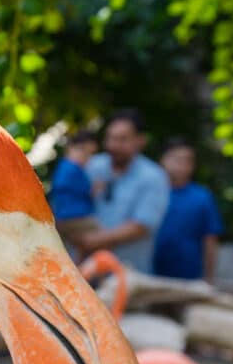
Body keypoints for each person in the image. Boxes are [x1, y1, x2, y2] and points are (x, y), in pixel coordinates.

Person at [81, 109, 170, 273]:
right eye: (110, 137)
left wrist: (92, 240)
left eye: (122, 139)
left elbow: (141, 226)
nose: (113, 145)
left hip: (129, 274)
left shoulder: (153, 177)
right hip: (85, 271)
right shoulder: (93, 166)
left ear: (140, 141)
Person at [153, 138, 224, 281]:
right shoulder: (150, 193)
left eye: (188, 161)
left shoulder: (202, 197)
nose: (182, 165)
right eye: (177, 159)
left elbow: (210, 239)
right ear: (163, 160)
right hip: (149, 272)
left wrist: (209, 278)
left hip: (188, 276)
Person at [49, 131, 106, 245]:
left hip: (63, 217)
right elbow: (89, 192)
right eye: (82, 150)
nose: (85, 157)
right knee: (103, 238)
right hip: (74, 217)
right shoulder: (73, 169)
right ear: (70, 148)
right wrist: (97, 187)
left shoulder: (64, 166)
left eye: (90, 154)